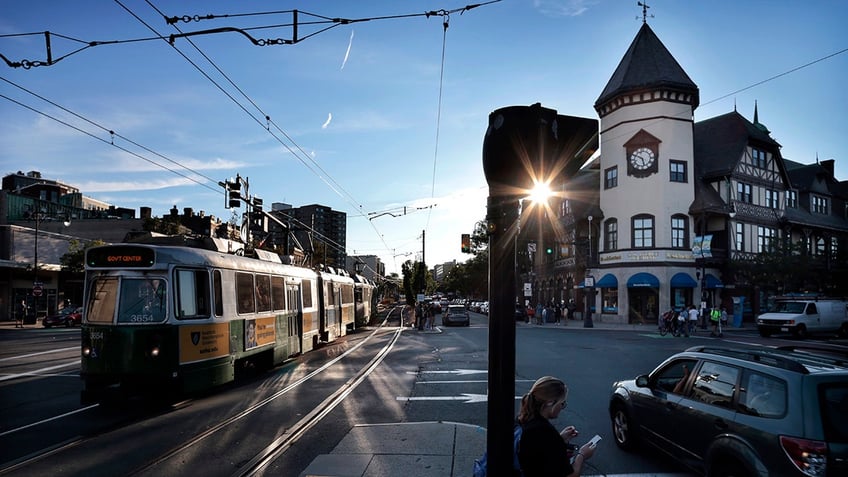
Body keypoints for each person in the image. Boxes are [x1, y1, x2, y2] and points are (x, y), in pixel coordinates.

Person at [517, 376, 597, 477]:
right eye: (562, 403)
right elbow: (571, 475)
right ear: (550, 402)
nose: (562, 408)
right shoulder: (545, 431)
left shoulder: (524, 419)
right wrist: (582, 455)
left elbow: (539, 450)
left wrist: (560, 439)